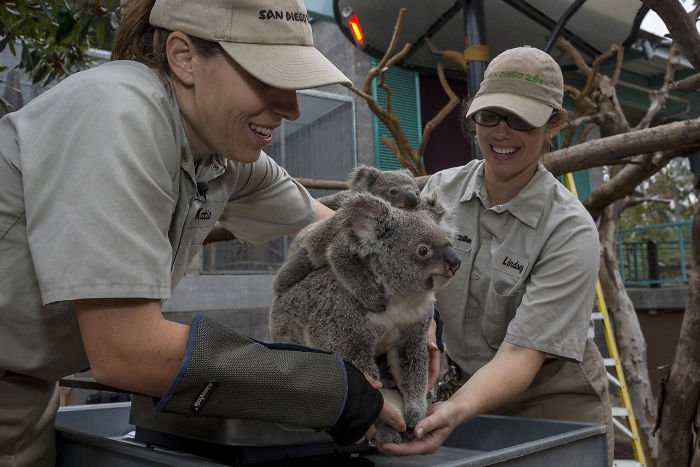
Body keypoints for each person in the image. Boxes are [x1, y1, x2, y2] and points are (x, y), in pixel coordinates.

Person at [0, 1, 405, 465]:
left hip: (30, 402)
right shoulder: (117, 110)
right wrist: (329, 388)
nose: (291, 108)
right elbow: (127, 350)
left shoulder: (220, 153)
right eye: (269, 78)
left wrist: (408, 311)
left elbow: (328, 229)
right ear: (184, 57)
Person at [379, 46, 614, 465]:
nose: (501, 133)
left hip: (552, 403)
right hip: (469, 395)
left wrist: (452, 410)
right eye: (489, 116)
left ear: (554, 124)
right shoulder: (438, 193)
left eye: (521, 120)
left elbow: (521, 355)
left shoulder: (568, 229)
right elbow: (400, 277)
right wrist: (418, 321)